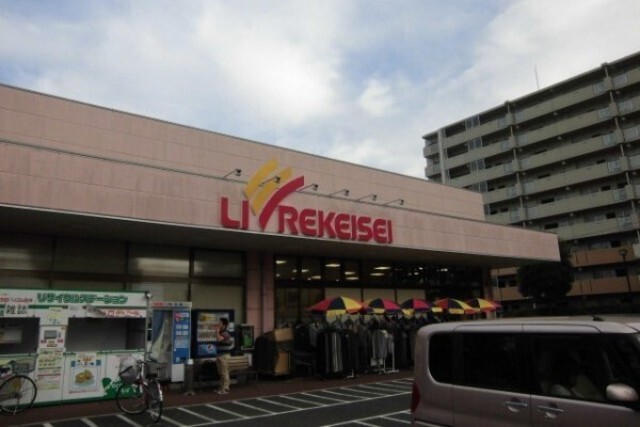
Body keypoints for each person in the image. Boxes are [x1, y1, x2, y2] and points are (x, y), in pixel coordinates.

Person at [215, 317, 232, 394]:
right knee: (221, 372)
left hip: (224, 356)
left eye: (220, 323)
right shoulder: (221, 332)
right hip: (219, 355)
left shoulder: (225, 333)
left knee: (224, 372)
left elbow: (219, 339)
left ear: (224, 325)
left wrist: (217, 332)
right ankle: (221, 387)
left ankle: (225, 388)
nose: (218, 324)